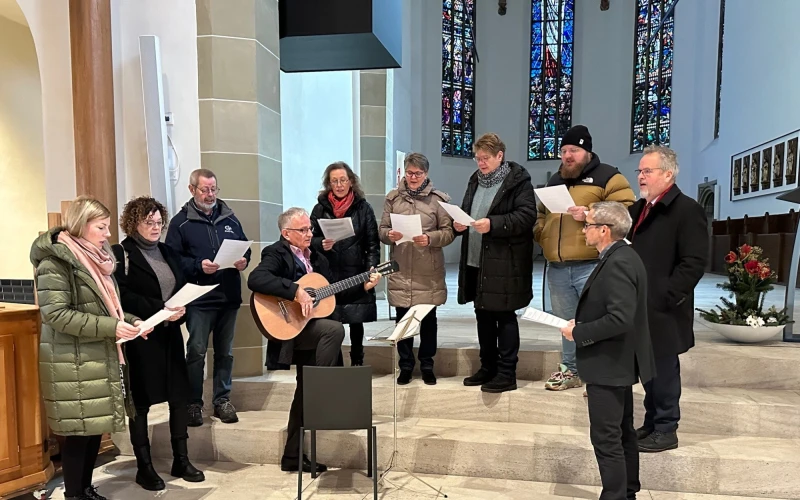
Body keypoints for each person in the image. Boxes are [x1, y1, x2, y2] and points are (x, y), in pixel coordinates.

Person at [31, 196, 152, 500]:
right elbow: (56, 315)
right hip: (71, 361)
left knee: (93, 430)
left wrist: (134, 322)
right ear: (82, 225)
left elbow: (108, 309)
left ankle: (85, 489)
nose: (108, 233)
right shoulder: (55, 261)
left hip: (95, 356)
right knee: (77, 435)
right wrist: (113, 328)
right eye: (101, 226)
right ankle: (75, 494)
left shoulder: (96, 259)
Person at [247, 207, 380, 472]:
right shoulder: (276, 252)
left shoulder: (318, 257)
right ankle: (328, 391)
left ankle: (292, 457)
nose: (310, 234)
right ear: (286, 233)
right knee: (334, 330)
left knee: (304, 391)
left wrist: (363, 285)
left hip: (311, 331)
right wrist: (296, 291)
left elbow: (330, 294)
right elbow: (256, 278)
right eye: (303, 230)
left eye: (310, 229)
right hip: (290, 329)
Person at [559, 201, 655, 500]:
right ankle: (626, 491)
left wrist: (579, 332)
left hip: (610, 362)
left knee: (607, 438)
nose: (584, 230)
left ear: (604, 230)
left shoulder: (619, 260)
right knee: (622, 432)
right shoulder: (621, 255)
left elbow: (620, 318)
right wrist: (584, 321)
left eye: (587, 225)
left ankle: (615, 495)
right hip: (616, 360)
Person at [112, 196, 205, 491]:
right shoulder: (121, 253)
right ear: (133, 223)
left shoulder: (167, 252)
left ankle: (181, 458)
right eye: (148, 222)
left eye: (158, 222)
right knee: (140, 404)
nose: (155, 227)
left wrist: (179, 309)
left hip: (169, 335)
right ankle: (145, 467)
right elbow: (121, 296)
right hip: (141, 337)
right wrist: (161, 307)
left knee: (179, 397)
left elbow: (178, 288)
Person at [536, 125, 636, 392]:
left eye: (574, 150)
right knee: (566, 322)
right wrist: (542, 233)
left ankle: (603, 369)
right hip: (557, 266)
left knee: (596, 321)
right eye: (564, 150)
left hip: (593, 265)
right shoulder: (555, 180)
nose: (568, 156)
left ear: (587, 151)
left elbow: (626, 209)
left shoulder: (609, 176)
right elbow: (541, 215)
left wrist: (591, 212)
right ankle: (570, 369)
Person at [628, 145, 708, 452]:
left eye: (648, 171)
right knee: (648, 369)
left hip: (663, 307)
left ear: (668, 174)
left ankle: (666, 428)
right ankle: (651, 423)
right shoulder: (640, 208)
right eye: (640, 171)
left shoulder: (687, 210)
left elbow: (694, 262)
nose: (641, 177)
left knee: (663, 369)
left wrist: (665, 296)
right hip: (640, 304)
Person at [165, 168, 251, 427]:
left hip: (228, 296)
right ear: (192, 190)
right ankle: (193, 403)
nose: (210, 194)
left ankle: (222, 400)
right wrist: (197, 266)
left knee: (225, 352)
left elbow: (244, 246)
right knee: (196, 351)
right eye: (205, 190)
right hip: (200, 299)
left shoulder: (230, 218)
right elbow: (173, 259)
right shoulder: (180, 223)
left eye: (214, 189)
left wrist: (243, 261)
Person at [455, 133, 537, 393]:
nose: (480, 163)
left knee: (504, 315)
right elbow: (470, 212)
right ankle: (487, 367)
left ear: (500, 156)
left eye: (485, 158)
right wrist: (460, 224)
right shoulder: (475, 181)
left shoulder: (518, 182)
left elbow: (526, 216)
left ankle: (506, 372)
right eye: (477, 158)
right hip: (476, 260)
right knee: (483, 316)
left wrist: (493, 224)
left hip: (504, 263)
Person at [379, 152, 455, 385]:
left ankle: (427, 365)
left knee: (428, 321)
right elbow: (381, 230)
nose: (413, 177)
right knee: (403, 320)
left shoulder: (438, 200)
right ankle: (405, 366)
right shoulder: (393, 198)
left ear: (426, 174)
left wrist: (430, 238)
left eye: (418, 173)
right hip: (401, 269)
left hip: (427, 271)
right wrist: (389, 235)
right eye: (410, 173)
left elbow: (449, 232)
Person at [310, 161, 380, 366]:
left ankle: (357, 359)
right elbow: (309, 238)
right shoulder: (319, 208)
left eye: (343, 180)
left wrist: (371, 268)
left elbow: (372, 242)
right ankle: (335, 362)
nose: (339, 185)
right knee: (331, 320)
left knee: (356, 320)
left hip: (355, 271)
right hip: (328, 272)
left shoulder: (363, 208)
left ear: (351, 182)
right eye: (334, 181)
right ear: (328, 184)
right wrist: (320, 243)